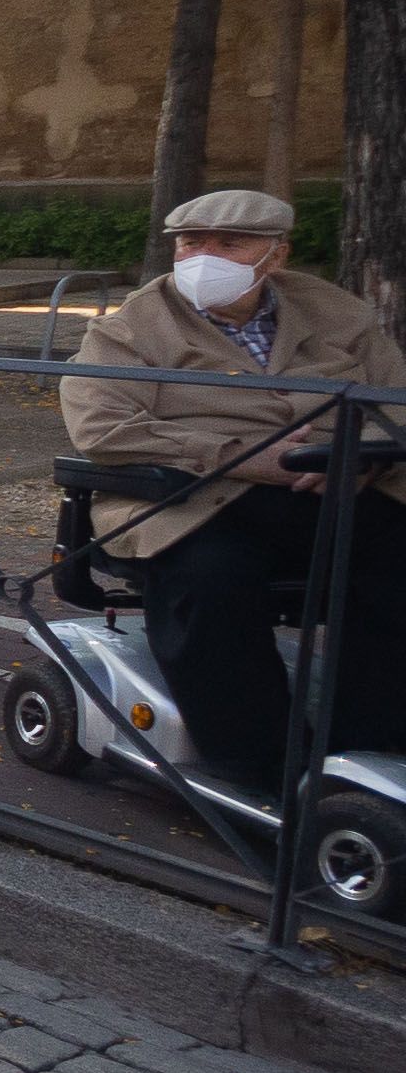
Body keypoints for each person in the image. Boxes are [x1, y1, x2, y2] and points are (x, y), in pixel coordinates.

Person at [61, 189, 406, 794]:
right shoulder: (132, 328)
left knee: (396, 561)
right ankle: (259, 764)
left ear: (275, 255)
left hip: (334, 489)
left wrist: (365, 460)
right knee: (213, 580)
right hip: (194, 499)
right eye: (191, 243)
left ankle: (365, 751)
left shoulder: (338, 314)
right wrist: (236, 456)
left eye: (229, 244)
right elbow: (102, 426)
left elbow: (396, 402)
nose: (204, 257)